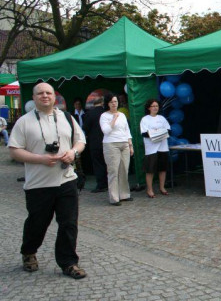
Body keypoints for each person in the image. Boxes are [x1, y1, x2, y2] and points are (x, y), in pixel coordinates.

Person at [8, 82, 87, 279]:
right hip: (38, 184)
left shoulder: (66, 117)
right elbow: (14, 150)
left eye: (48, 93)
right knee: (38, 223)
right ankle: (29, 251)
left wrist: (73, 152)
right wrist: (40, 159)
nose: (45, 96)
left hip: (66, 180)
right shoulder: (24, 122)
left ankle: (69, 262)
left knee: (69, 223)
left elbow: (81, 140)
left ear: (54, 97)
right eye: (40, 93)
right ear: (33, 98)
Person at [100, 93, 133, 206]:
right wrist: (113, 119)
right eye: (112, 102)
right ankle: (114, 197)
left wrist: (130, 144)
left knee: (124, 169)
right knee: (113, 171)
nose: (114, 104)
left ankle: (124, 194)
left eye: (116, 101)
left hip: (124, 143)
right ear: (107, 104)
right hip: (111, 144)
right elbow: (106, 131)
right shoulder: (104, 116)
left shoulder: (122, 115)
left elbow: (127, 130)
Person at [139, 98, 171, 198]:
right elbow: (144, 133)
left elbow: (169, 131)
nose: (155, 108)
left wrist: (155, 132)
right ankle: (150, 189)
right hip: (151, 148)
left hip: (163, 147)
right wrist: (158, 132)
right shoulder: (145, 119)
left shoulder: (162, 118)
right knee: (150, 169)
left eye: (156, 106)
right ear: (149, 108)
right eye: (153, 106)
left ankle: (162, 187)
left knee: (163, 169)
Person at [83, 97, 108, 193]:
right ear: (102, 103)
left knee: (98, 164)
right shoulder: (106, 113)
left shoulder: (90, 114)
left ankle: (101, 184)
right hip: (107, 141)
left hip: (95, 142)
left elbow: (85, 128)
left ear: (94, 104)